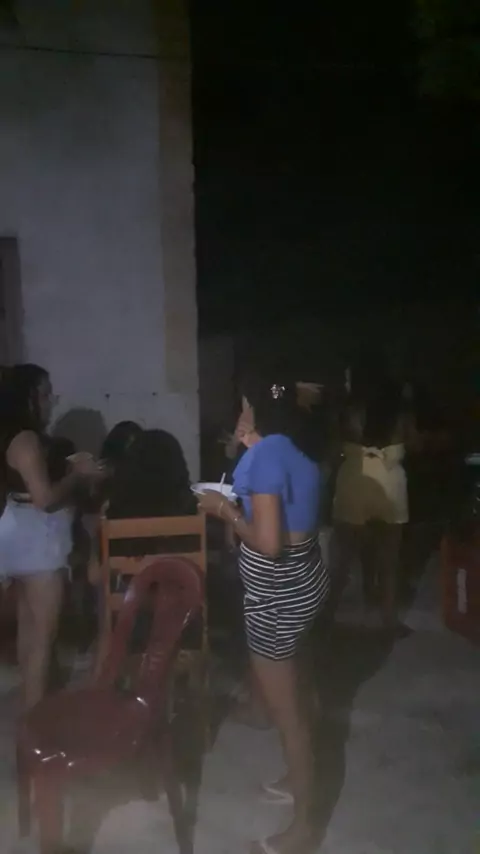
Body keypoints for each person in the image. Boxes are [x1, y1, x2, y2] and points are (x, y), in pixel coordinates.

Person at [198, 375, 329, 854]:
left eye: (245, 408)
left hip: (276, 594)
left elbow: (268, 543)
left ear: (258, 411)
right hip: (307, 580)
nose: (240, 418)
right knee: (302, 687)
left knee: (288, 714)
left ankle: (303, 829)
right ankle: (299, 776)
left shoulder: (264, 459)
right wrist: (248, 451)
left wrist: (224, 511)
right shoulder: (296, 447)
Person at [0, 364, 105, 710]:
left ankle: (29, 714)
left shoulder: (13, 436)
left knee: (29, 631)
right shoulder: (25, 439)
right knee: (42, 637)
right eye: (45, 394)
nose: (50, 401)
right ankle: (34, 720)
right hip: (36, 540)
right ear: (28, 397)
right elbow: (44, 498)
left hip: (20, 534)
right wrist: (77, 474)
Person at [332, 379, 414, 630]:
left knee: (342, 558)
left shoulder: (350, 410)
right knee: (389, 560)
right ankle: (388, 618)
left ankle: (325, 615)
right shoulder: (400, 412)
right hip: (390, 483)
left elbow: (334, 444)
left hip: (355, 479)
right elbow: (413, 442)